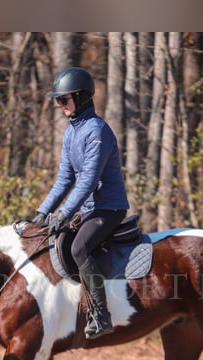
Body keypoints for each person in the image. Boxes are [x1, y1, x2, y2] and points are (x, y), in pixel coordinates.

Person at [32, 67, 129, 340]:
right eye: (57, 100)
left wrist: (63, 213)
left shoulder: (98, 131)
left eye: (64, 99)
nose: (59, 105)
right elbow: (64, 179)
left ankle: (101, 315)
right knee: (52, 239)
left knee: (79, 248)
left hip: (107, 208)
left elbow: (87, 181)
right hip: (87, 209)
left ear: (82, 97)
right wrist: (42, 212)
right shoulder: (71, 133)